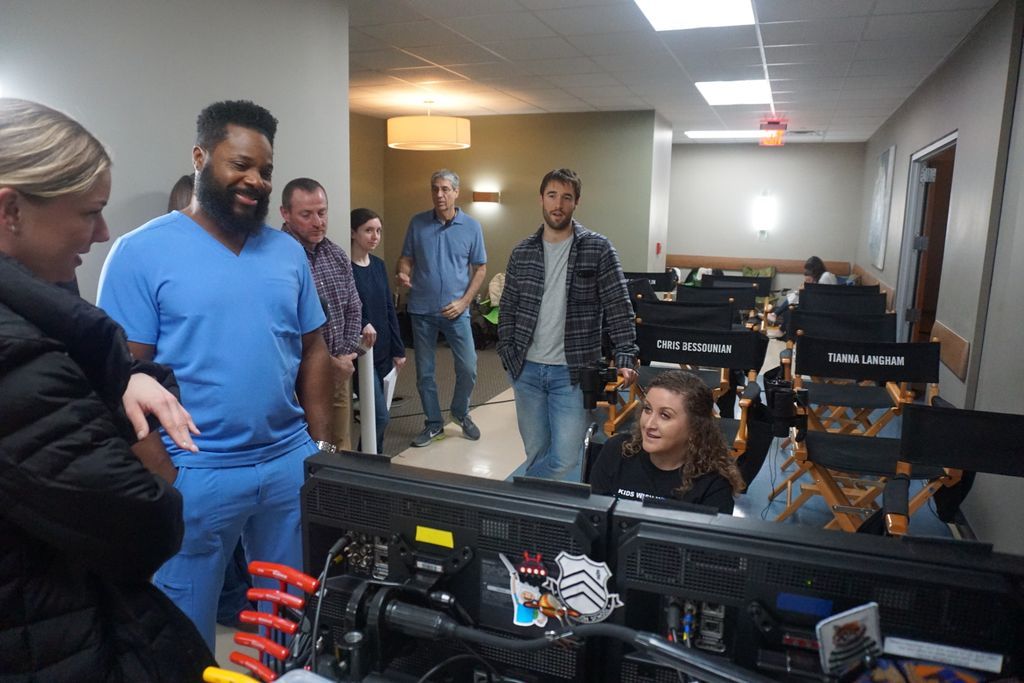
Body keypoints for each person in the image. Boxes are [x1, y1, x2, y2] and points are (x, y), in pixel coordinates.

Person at [98, 100, 334, 649]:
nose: (256, 181)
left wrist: (320, 447)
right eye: (240, 164)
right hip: (195, 471)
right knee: (183, 632)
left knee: (290, 623)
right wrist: (164, 475)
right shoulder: (140, 253)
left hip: (287, 463)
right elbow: (119, 377)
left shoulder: (287, 253)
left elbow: (315, 347)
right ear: (201, 157)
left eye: (265, 170)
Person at [0, 97, 213, 679]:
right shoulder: (15, 355)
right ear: (11, 209)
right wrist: (123, 414)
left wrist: (126, 380)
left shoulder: (49, 314)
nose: (102, 232)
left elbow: (126, 369)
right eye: (89, 213)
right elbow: (145, 524)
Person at [498, 168, 638, 482]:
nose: (558, 204)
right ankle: (539, 510)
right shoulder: (522, 252)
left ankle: (517, 494)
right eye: (552, 195)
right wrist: (507, 352)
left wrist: (626, 355)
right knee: (536, 452)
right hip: (526, 370)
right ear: (541, 199)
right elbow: (508, 307)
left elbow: (618, 306)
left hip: (572, 372)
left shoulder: (598, 249)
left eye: (566, 197)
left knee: (565, 458)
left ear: (576, 202)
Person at [397, 168, 487, 447]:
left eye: (445, 189)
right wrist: (403, 272)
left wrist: (464, 302)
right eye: (435, 188)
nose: (439, 194)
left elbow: (480, 268)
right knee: (425, 373)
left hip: (456, 312)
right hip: (421, 311)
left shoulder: (471, 227)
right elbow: (406, 258)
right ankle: (434, 423)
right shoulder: (417, 223)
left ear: (456, 192)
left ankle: (460, 412)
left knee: (468, 367)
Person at [280, 177, 362, 451]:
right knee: (304, 449)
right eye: (306, 215)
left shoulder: (336, 254)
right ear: (285, 214)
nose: (318, 222)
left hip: (339, 372)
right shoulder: (276, 258)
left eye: (322, 212)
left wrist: (344, 357)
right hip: (294, 381)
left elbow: (353, 307)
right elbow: (281, 325)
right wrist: (325, 364)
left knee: (338, 446)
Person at [589, 371, 743, 514]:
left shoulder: (714, 484)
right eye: (647, 409)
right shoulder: (616, 450)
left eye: (665, 415)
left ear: (695, 427)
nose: (649, 424)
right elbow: (592, 518)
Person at [351, 208, 407, 453]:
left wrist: (399, 349)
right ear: (353, 233)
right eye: (368, 230)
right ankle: (365, 462)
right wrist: (363, 322)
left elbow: (388, 308)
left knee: (378, 418)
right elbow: (347, 308)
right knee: (379, 418)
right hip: (362, 354)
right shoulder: (346, 268)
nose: (375, 236)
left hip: (384, 350)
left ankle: (373, 460)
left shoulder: (378, 265)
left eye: (378, 231)